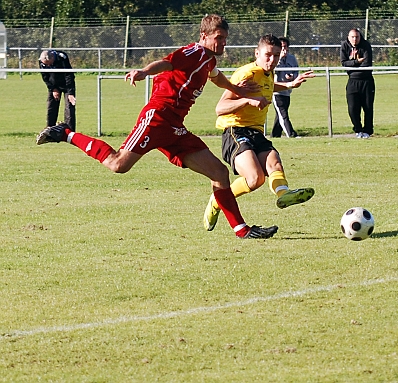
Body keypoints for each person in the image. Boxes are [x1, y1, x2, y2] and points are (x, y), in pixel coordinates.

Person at [36, 14, 278, 240]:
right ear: (204, 36)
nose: (223, 43)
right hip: (157, 118)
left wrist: (238, 91)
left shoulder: (208, 60)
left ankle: (242, 230)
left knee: (219, 173)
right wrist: (143, 71)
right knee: (118, 164)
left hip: (174, 126)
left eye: (225, 38)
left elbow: (216, 77)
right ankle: (65, 133)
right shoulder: (193, 53)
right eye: (219, 38)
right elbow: (166, 63)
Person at [203, 34, 316, 232]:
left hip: (256, 132)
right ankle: (217, 199)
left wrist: (289, 85)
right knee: (255, 179)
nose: (271, 60)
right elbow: (220, 107)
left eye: (276, 56)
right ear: (257, 53)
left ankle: (284, 195)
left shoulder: (268, 73)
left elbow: (268, 87)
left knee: (274, 162)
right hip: (235, 130)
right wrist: (247, 101)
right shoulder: (246, 74)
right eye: (267, 55)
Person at [340, 28, 375, 138]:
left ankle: (367, 131)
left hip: (367, 80)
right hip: (352, 80)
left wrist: (353, 65)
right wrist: (356, 62)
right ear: (348, 37)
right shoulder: (345, 46)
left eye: (357, 37)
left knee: (368, 107)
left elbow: (367, 63)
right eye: (352, 37)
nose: (355, 39)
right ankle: (358, 129)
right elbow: (344, 63)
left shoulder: (366, 45)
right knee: (352, 108)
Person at [39, 49, 77, 132]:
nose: (48, 66)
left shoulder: (62, 57)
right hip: (53, 85)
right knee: (51, 107)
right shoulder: (42, 61)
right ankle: (50, 130)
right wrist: (53, 89)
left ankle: (70, 132)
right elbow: (45, 77)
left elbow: (69, 75)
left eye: (49, 64)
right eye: (46, 65)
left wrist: (70, 92)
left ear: (52, 58)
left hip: (67, 85)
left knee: (69, 107)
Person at [271, 37, 299, 138]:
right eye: (281, 47)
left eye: (285, 47)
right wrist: (280, 59)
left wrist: (292, 77)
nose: (284, 49)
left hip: (287, 90)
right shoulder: (274, 58)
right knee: (283, 114)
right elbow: (272, 69)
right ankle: (291, 134)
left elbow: (296, 71)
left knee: (281, 115)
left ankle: (275, 135)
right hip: (277, 91)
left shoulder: (292, 58)